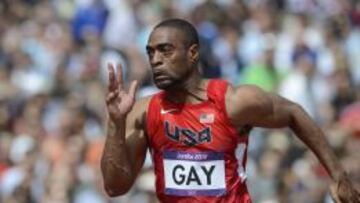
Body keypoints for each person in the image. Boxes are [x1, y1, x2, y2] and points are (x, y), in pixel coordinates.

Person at [101, 19, 359, 203]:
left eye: (165, 50)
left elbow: (293, 113)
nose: (155, 60)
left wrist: (338, 175)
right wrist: (115, 122)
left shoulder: (233, 102)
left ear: (192, 53)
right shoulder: (145, 112)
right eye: (151, 53)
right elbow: (115, 187)